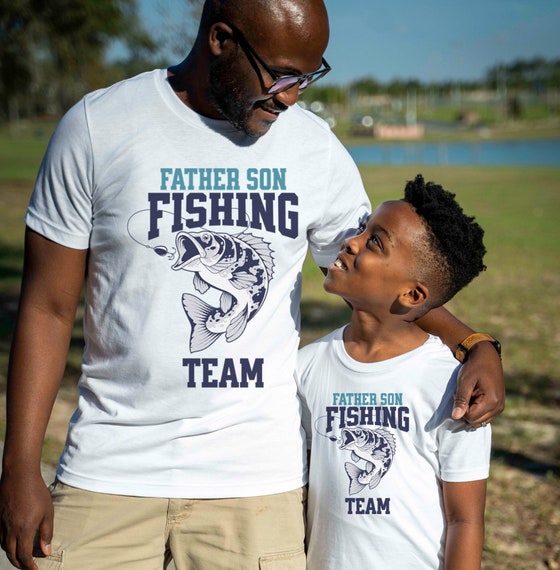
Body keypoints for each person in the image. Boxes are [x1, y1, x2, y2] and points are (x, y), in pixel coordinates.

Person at [0, 1, 503, 569]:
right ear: (220, 39)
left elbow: (389, 287)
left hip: (256, 483)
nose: (291, 96)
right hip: (109, 467)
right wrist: (19, 467)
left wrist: (474, 344)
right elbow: (46, 306)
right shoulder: (97, 127)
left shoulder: (313, 148)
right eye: (281, 75)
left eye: (308, 77)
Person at [296, 174, 494, 569]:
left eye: (374, 242)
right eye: (361, 230)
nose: (350, 242)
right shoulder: (307, 365)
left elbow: (465, 519)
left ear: (413, 295)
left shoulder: (453, 386)